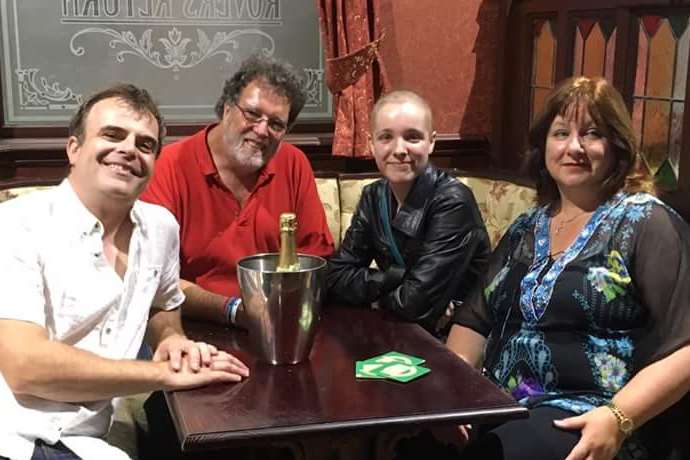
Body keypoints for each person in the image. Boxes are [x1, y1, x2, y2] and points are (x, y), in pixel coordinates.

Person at [0, 84, 249, 460]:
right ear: (74, 148)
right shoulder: (18, 223)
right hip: (14, 434)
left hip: (87, 438)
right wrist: (162, 373)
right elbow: (25, 366)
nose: (129, 149)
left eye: (145, 144)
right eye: (112, 135)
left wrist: (170, 339)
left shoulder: (161, 227)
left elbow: (163, 303)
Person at [447, 76, 690, 460]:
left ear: (617, 147)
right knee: (412, 437)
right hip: (500, 404)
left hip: (589, 417)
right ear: (544, 145)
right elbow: (474, 320)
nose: (574, 147)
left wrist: (617, 418)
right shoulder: (526, 227)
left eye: (592, 134)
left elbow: (686, 345)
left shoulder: (645, 222)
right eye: (561, 133)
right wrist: (455, 392)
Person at [141, 55, 334, 328]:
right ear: (227, 108)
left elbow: (313, 259)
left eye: (276, 124)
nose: (262, 130)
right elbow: (153, 277)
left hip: (278, 323)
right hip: (192, 327)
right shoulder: (168, 166)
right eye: (252, 114)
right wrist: (233, 310)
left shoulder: (293, 163)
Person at [326, 90, 490, 335]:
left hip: (457, 334)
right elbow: (335, 277)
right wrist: (393, 279)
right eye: (386, 137)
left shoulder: (453, 201)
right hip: (402, 329)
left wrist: (376, 297)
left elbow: (415, 303)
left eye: (412, 137)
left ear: (431, 142)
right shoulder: (374, 195)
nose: (399, 149)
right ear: (371, 144)